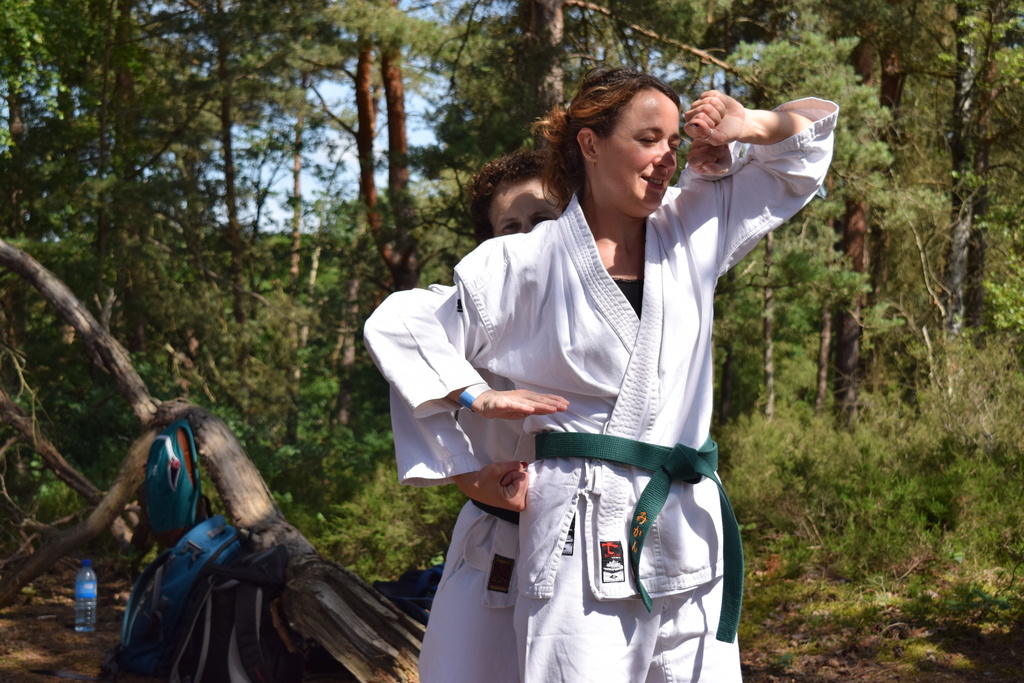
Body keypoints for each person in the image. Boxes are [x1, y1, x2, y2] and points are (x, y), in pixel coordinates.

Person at [369, 67, 838, 682]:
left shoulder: (694, 224)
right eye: (648, 139)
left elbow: (802, 153)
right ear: (590, 144)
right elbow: (402, 326)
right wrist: (473, 398)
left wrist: (747, 124)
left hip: (688, 527)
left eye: (674, 142)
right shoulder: (522, 259)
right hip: (577, 530)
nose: (667, 158)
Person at [365, 149, 566, 683]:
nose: (526, 237)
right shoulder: (473, 311)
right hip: (496, 544)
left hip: (594, 545)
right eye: (509, 227)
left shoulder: (623, 299)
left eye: (543, 219)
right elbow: (397, 321)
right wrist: (471, 431)